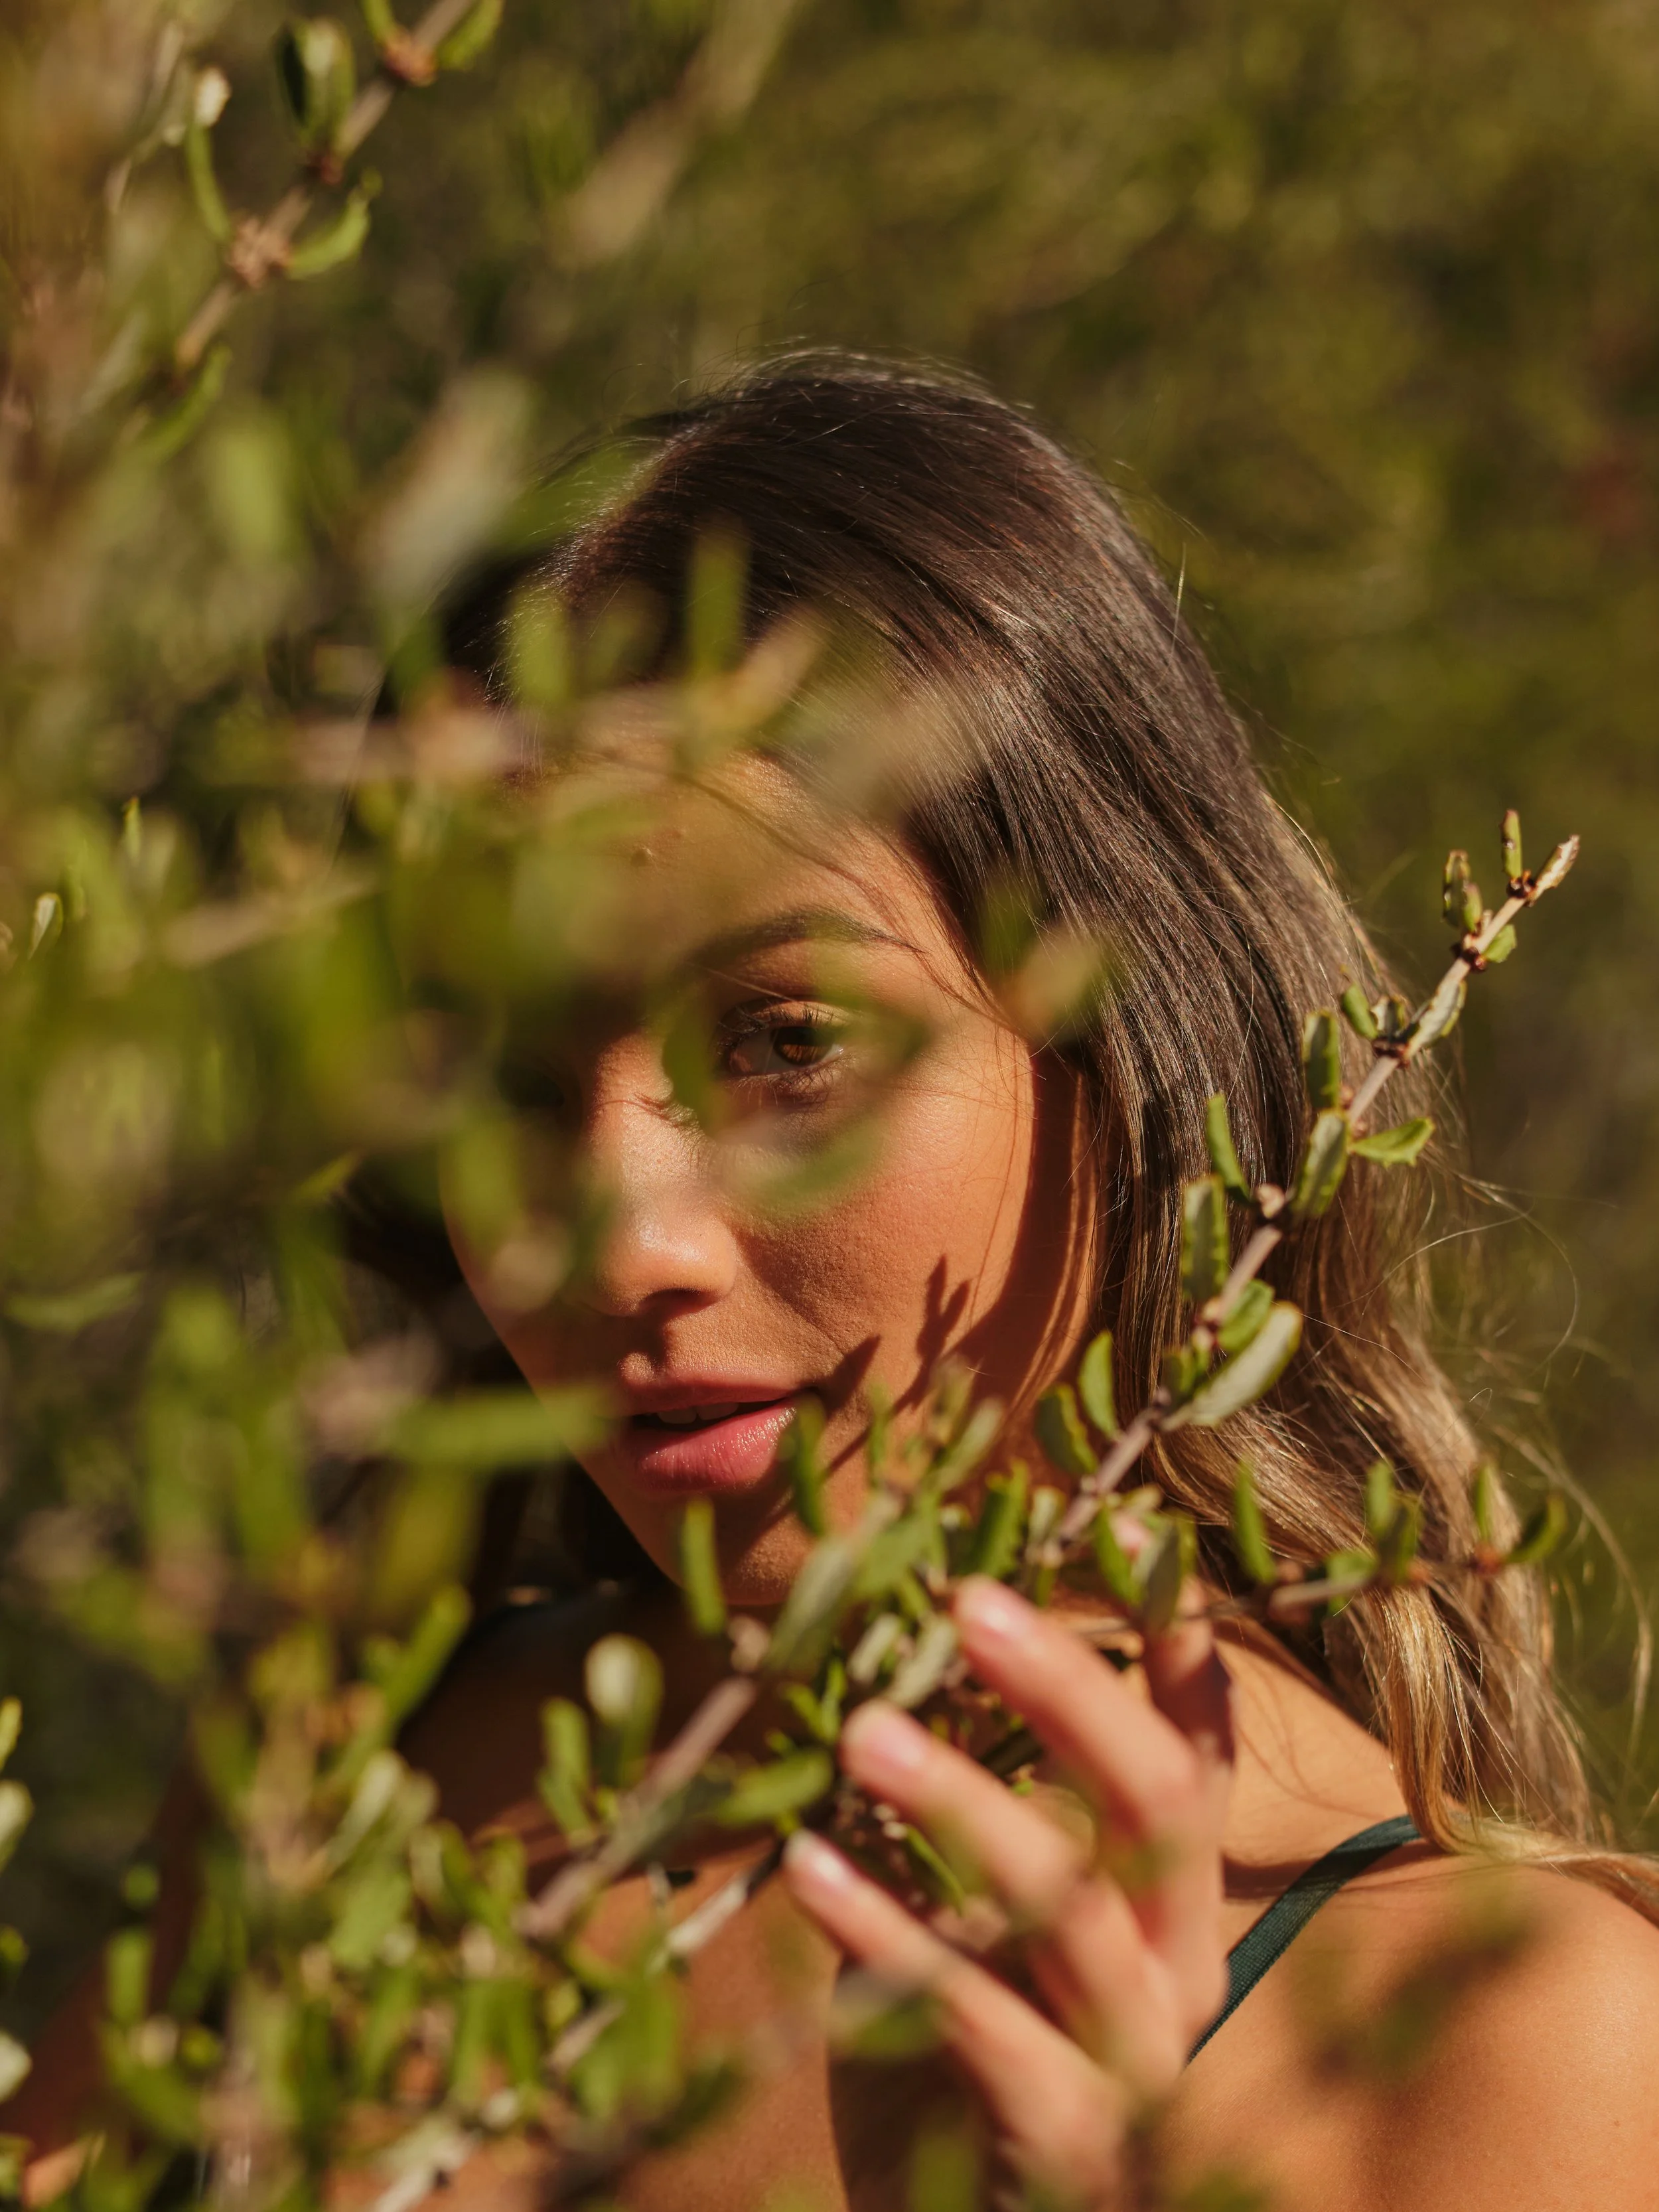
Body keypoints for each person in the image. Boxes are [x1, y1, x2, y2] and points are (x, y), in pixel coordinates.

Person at [16, 356, 1659, 2209]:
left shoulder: (1518, 2051)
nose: (616, 1237)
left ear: (1129, 1048)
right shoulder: (366, 1758)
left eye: (787, 1038)